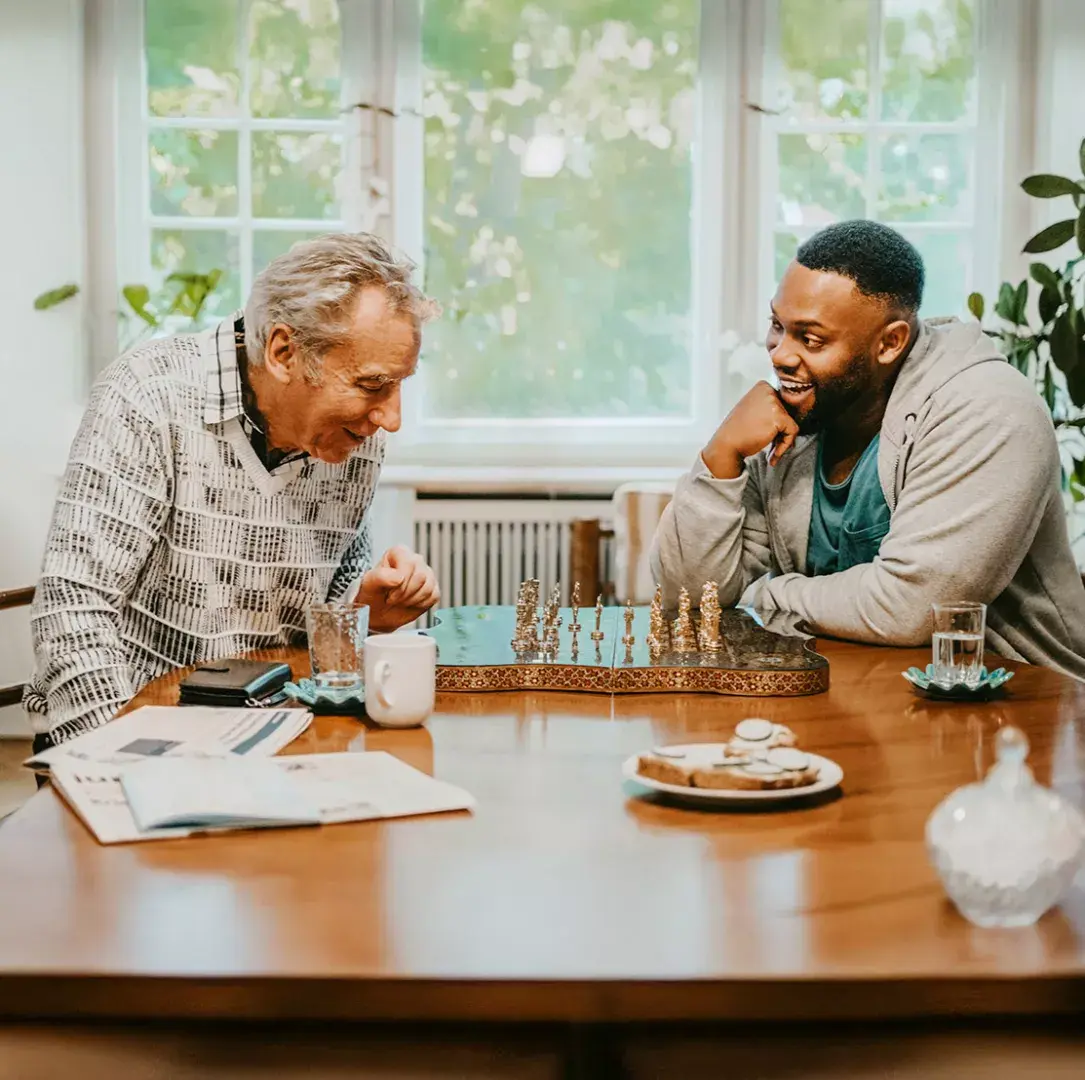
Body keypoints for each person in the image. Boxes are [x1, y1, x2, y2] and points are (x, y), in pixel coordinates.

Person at [27, 232, 442, 746]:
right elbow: (72, 609)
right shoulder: (148, 397)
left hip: (273, 731)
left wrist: (367, 613)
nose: (392, 418)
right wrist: (126, 759)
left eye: (400, 384)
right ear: (284, 352)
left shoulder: (353, 439)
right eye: (372, 385)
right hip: (131, 733)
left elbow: (327, 625)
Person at [651, 220, 1085, 678]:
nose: (780, 354)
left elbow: (911, 607)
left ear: (890, 342)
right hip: (852, 690)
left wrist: (770, 595)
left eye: (811, 338)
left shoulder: (988, 409)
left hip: (1022, 704)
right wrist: (721, 457)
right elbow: (690, 596)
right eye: (777, 325)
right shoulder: (801, 408)